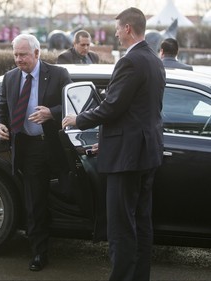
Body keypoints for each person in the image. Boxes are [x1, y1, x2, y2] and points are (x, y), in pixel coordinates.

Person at [62, 7, 165, 281]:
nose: (116, 33)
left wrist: (77, 119)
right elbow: (141, 113)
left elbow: (112, 108)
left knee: (121, 227)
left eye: (118, 28)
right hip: (146, 154)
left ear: (128, 29)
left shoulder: (130, 62)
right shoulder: (154, 60)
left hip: (127, 159)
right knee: (141, 223)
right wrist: (105, 145)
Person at [0, 34, 72, 271]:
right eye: (15, 54)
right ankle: (39, 253)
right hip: (29, 147)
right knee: (34, 202)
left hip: (56, 146)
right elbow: (0, 106)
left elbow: (74, 105)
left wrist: (51, 112)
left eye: (23, 55)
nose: (18, 59)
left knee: (70, 193)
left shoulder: (58, 74)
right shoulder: (10, 78)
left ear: (37, 53)